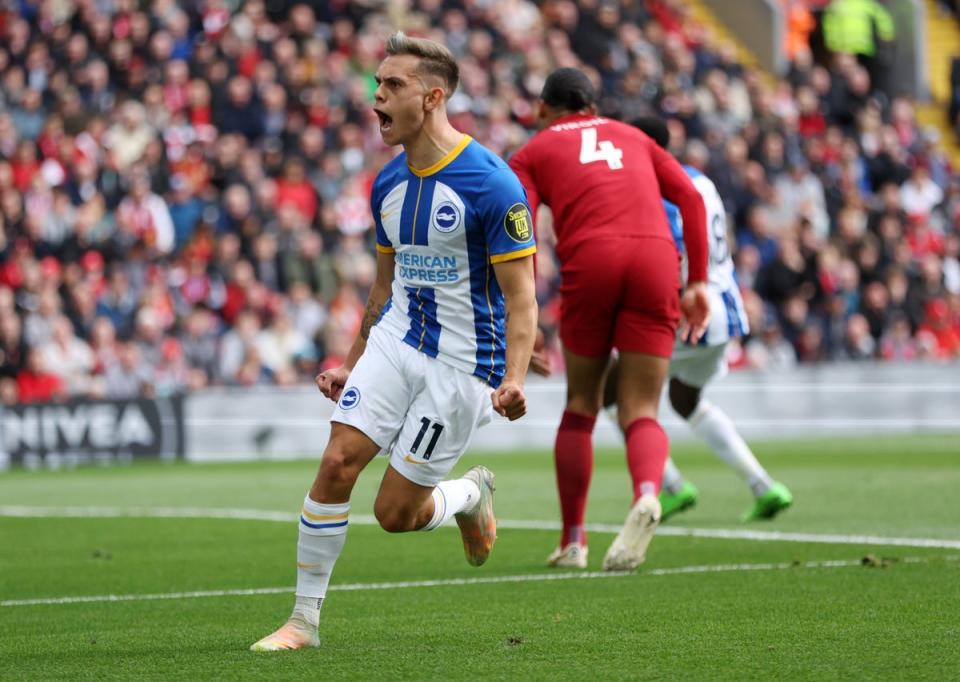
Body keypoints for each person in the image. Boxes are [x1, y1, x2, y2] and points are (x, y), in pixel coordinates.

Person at [251, 33, 538, 651]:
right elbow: (384, 287)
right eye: (376, 85)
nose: (375, 98)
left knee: (394, 516)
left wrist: (513, 377)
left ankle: (468, 493)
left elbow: (522, 297)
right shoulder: (386, 184)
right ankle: (303, 622)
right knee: (335, 464)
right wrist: (351, 365)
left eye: (391, 86)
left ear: (432, 97)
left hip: (462, 368)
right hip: (395, 341)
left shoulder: (492, 185)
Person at [509, 68, 710, 572]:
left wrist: (524, 311)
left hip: (591, 259)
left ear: (541, 108)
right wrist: (698, 282)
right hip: (656, 260)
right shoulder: (635, 136)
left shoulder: (532, 151)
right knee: (642, 408)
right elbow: (689, 197)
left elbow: (520, 226)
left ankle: (573, 540)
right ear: (593, 107)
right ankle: (646, 493)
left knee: (581, 405)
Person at [604, 117, 793, 525]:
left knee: (612, 392)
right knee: (684, 399)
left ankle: (666, 489)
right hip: (725, 313)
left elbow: (672, 258)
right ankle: (763, 486)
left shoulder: (656, 189)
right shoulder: (699, 179)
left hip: (687, 314)